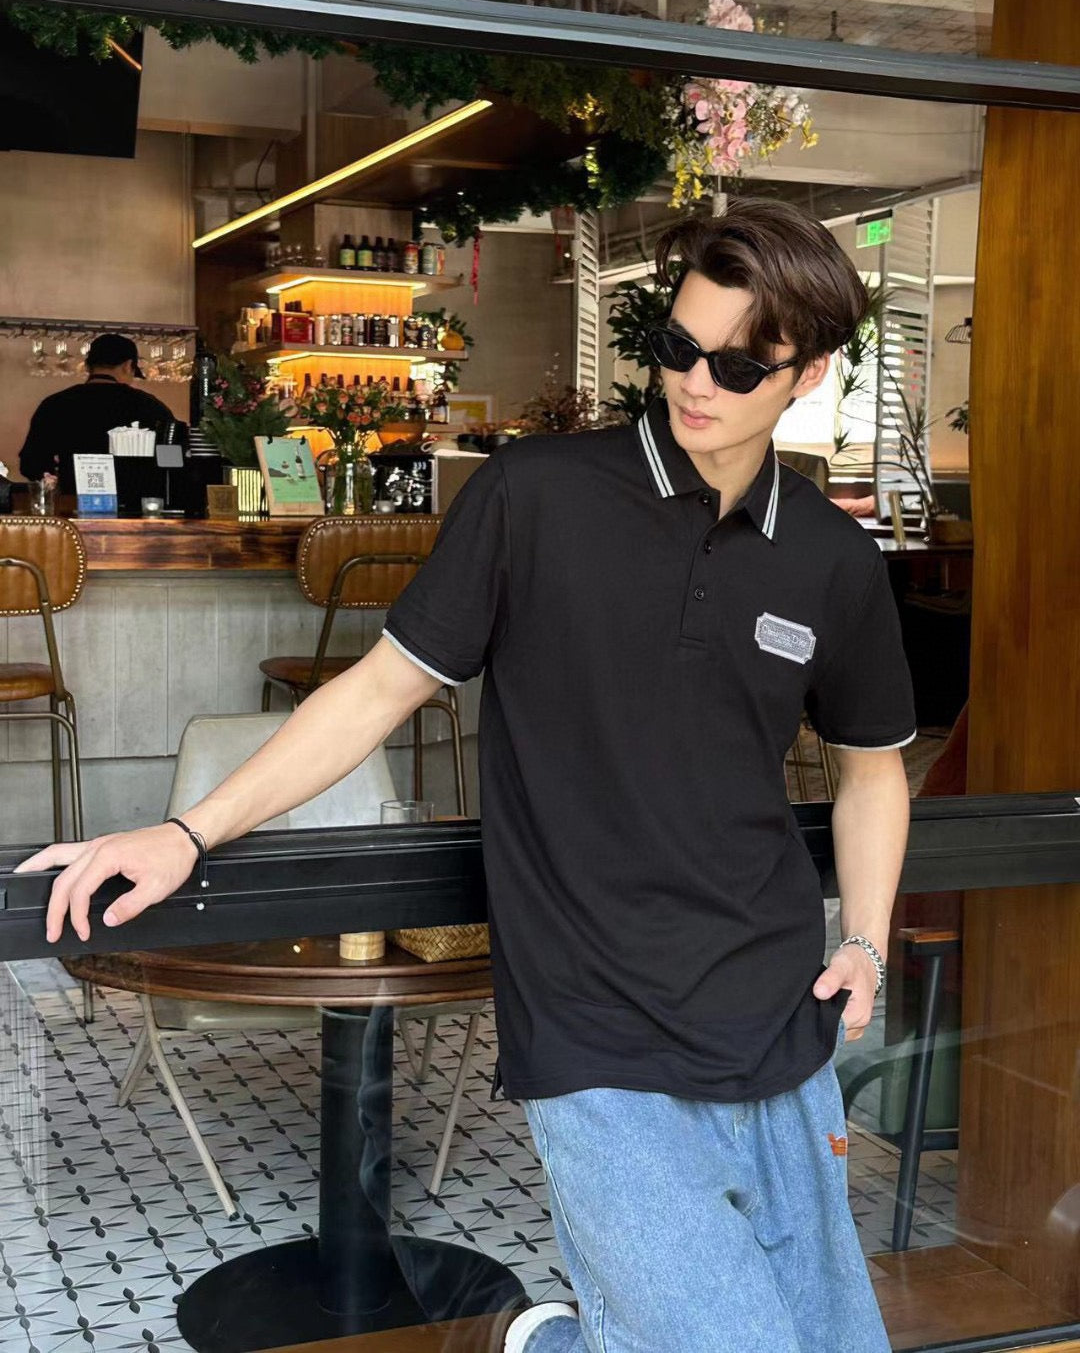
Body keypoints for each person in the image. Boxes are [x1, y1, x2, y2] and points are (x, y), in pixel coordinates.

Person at [19, 201, 915, 1353]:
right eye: (679, 347)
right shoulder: (536, 495)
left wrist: (867, 940)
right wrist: (188, 830)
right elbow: (378, 690)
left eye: (740, 366)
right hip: (594, 1018)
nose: (696, 383)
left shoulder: (832, 560)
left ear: (811, 373)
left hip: (778, 1004)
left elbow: (873, 770)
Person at [19, 333, 180, 495]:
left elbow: (31, 463)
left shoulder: (56, 404)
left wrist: (56, 479)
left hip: (72, 502)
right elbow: (173, 458)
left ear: (88, 366)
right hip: (136, 502)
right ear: (128, 365)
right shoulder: (148, 405)